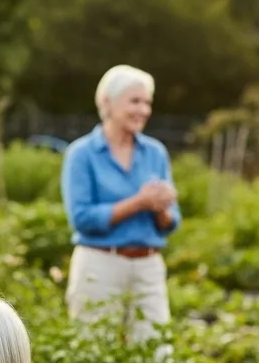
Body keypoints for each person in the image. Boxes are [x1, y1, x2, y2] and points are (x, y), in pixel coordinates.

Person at [60, 64, 182, 344]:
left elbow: (171, 222)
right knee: (93, 346)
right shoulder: (81, 154)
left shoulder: (155, 152)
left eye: (148, 103)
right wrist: (139, 202)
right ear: (107, 102)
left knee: (156, 350)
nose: (144, 110)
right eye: (135, 101)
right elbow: (82, 218)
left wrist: (161, 207)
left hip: (149, 264)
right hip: (100, 263)